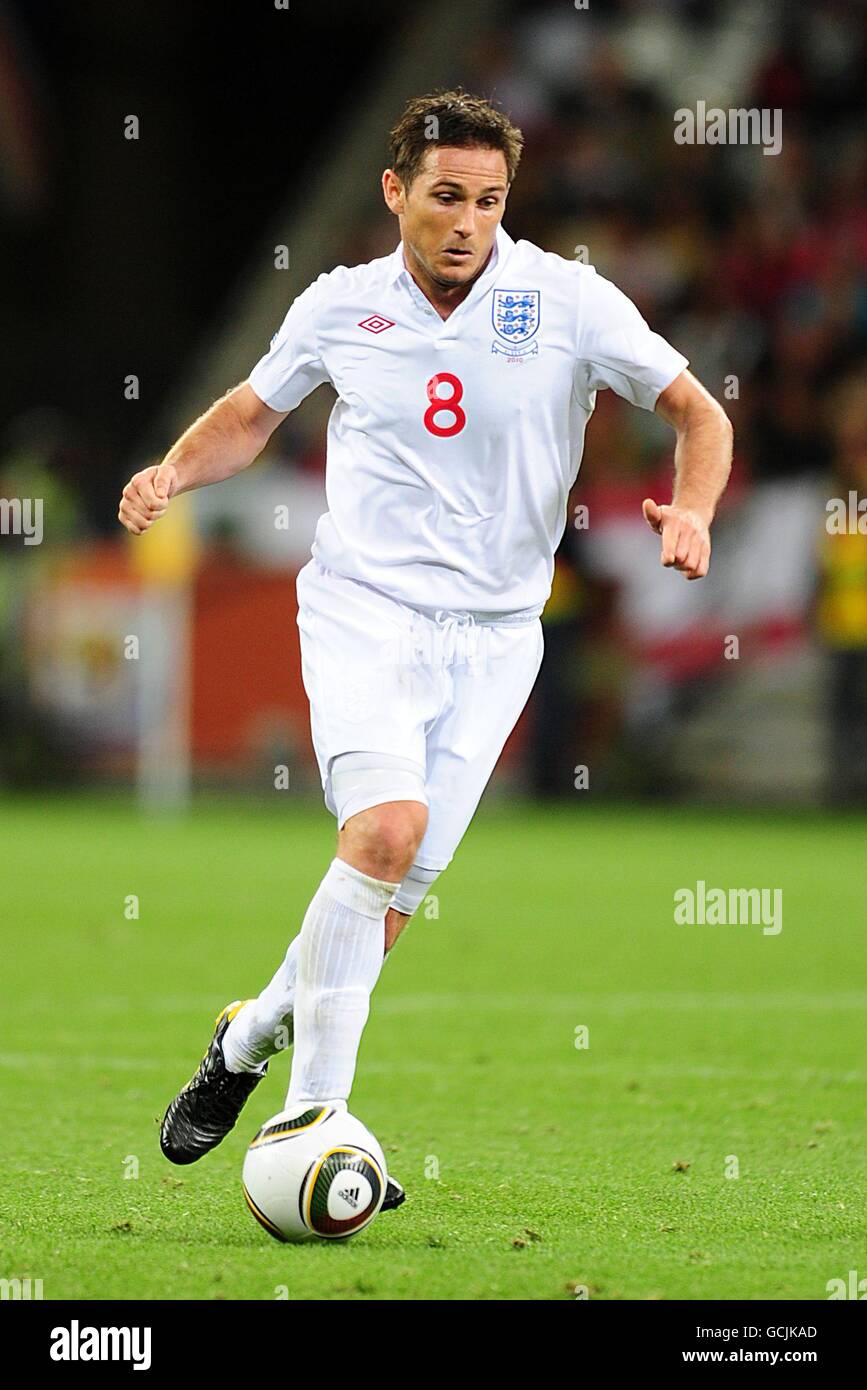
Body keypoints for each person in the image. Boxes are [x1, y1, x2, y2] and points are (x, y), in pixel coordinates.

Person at [118, 90, 732, 1210]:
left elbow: (699, 412)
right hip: (366, 612)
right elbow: (254, 415)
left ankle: (245, 1036)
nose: (468, 221)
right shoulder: (340, 306)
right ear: (396, 190)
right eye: (447, 196)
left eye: (490, 201)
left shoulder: (566, 300)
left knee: (386, 903)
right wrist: (170, 470)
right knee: (385, 833)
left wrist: (690, 510)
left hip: (499, 638)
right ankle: (316, 1112)